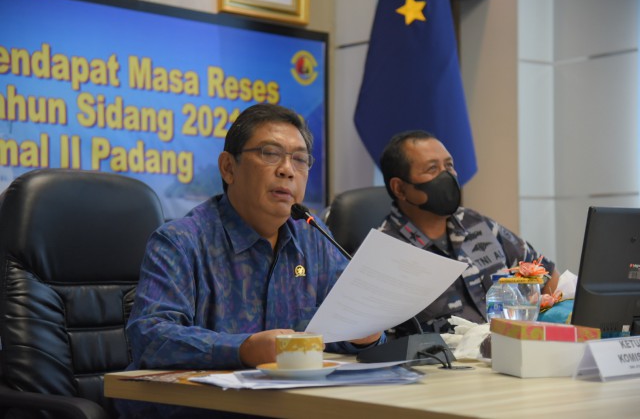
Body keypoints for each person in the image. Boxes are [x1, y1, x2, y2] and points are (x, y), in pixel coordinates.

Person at [118, 104, 383, 418]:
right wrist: (244, 349)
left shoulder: (314, 238)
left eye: (299, 159)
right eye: (270, 154)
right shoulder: (181, 241)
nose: (287, 170)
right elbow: (151, 337)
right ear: (228, 168)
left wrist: (364, 337)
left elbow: (341, 329)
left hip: (287, 407)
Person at [378, 130, 560, 335]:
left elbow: (548, 277)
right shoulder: (385, 253)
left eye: (449, 166)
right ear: (400, 188)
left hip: (507, 348)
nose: (447, 176)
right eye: (432, 169)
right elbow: (373, 341)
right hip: (442, 356)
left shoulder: (476, 224)